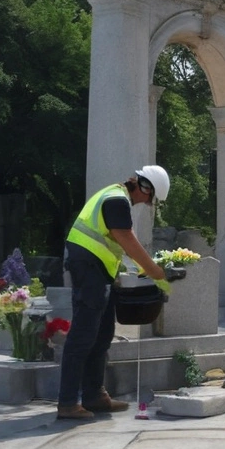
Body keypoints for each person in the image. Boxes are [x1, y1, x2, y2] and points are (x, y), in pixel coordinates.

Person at [58, 165, 173, 420]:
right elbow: (126, 238)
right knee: (83, 335)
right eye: (150, 198)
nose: (147, 203)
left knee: (102, 333)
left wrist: (137, 270)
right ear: (144, 187)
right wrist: (154, 270)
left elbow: (112, 245)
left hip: (95, 271)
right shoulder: (117, 200)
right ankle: (67, 403)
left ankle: (94, 396)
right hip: (88, 270)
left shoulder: (115, 197)